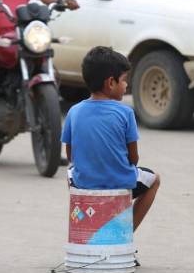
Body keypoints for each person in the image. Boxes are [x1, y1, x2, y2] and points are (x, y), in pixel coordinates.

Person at [61, 47, 160, 253]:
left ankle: (87, 223)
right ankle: (124, 234)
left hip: (84, 183)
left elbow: (70, 156)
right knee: (154, 180)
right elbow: (133, 158)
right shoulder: (126, 113)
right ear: (111, 82)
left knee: (70, 172)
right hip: (120, 182)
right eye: (124, 80)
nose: (126, 85)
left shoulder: (74, 112)